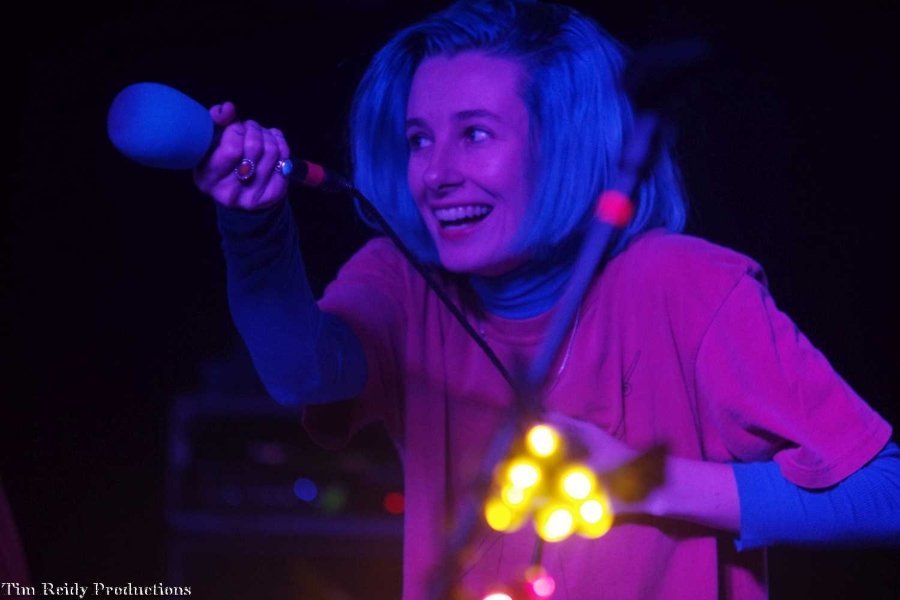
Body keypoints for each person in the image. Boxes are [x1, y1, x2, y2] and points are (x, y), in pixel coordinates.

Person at [193, 1, 899, 598]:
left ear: (565, 145)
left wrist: (644, 482)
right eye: (419, 139)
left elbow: (887, 494)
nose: (434, 174)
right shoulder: (401, 280)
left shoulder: (688, 285)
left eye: (475, 134)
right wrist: (253, 228)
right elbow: (303, 375)